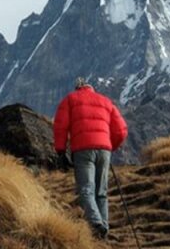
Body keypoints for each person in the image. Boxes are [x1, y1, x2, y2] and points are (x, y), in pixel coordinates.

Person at [53, 77, 128, 239]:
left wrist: (60, 150)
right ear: (91, 88)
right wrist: (110, 146)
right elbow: (121, 130)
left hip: (82, 150)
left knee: (86, 189)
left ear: (77, 88)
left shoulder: (70, 100)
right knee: (101, 192)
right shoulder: (106, 102)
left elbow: (60, 126)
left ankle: (96, 224)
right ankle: (104, 231)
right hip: (104, 150)